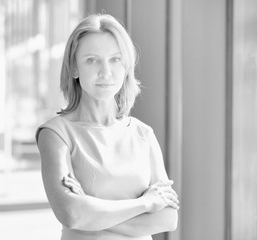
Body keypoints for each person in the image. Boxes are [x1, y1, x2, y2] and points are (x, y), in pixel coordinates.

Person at [35, 13, 179, 240]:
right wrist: (145, 203)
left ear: (126, 66)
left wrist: (91, 211)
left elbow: (167, 219)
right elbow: (72, 214)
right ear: (74, 68)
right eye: (92, 60)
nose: (106, 72)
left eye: (115, 59)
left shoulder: (143, 134)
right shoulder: (56, 134)